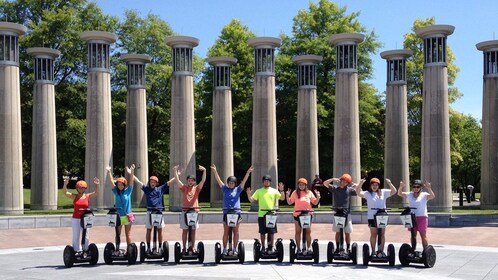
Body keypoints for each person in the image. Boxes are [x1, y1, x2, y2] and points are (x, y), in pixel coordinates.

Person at [211, 164, 254, 255]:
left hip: (236, 213)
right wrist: (215, 171)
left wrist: (248, 173)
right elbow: (219, 180)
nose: (231, 184)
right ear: (228, 183)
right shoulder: (224, 189)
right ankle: (225, 248)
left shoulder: (238, 190)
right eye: (229, 183)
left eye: (232, 183)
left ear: (235, 184)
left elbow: (244, 182)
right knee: (226, 231)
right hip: (226, 213)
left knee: (236, 231)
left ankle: (234, 248)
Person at [134, 173, 176, 254]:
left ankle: (160, 247)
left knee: (160, 230)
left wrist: (177, 175)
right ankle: (149, 248)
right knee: (149, 230)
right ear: (149, 183)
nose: (152, 183)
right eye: (151, 182)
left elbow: (169, 182)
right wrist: (131, 173)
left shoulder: (160, 189)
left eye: (154, 182)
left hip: (158, 212)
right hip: (150, 212)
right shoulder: (147, 189)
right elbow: (139, 182)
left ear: (157, 183)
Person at [355, 177, 397, 257]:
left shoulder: (383, 192)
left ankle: (381, 251)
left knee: (382, 234)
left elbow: (394, 191)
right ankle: (373, 252)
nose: (375, 186)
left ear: (378, 186)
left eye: (376, 185)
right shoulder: (367, 193)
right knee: (374, 234)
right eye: (373, 185)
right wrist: (360, 183)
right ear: (370, 185)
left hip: (382, 216)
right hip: (372, 216)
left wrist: (389, 183)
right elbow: (358, 193)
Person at [246, 174, 285, 253]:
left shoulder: (274, 191)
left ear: (270, 182)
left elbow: (282, 198)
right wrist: (248, 194)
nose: (266, 182)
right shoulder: (259, 191)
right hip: (262, 214)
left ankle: (271, 246)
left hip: (271, 214)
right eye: (265, 181)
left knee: (272, 232)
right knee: (262, 232)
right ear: (263, 182)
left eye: (267, 181)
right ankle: (263, 247)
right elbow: (251, 200)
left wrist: (281, 190)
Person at [173, 164, 206, 253]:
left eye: (192, 181)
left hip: (194, 212)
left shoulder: (196, 189)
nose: (190, 182)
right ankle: (184, 247)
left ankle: (193, 247)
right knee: (185, 230)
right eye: (189, 180)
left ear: (194, 182)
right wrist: (175, 171)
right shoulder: (184, 188)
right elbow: (177, 181)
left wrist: (204, 171)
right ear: (187, 181)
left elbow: (203, 181)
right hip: (185, 211)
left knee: (193, 231)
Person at [63, 176, 99, 254]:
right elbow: (65, 192)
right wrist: (65, 184)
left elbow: (96, 193)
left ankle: (85, 250)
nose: (81, 189)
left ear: (85, 189)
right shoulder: (75, 196)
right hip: (76, 218)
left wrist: (97, 184)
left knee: (86, 236)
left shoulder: (87, 196)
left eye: (83, 188)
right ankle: (76, 251)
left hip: (86, 218)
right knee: (76, 235)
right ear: (77, 188)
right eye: (80, 188)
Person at [397, 179, 435, 252]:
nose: (416, 188)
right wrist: (401, 187)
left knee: (423, 235)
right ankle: (413, 250)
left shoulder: (424, 195)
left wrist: (429, 188)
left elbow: (432, 196)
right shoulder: (409, 194)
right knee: (413, 235)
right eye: (414, 186)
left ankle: (426, 252)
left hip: (422, 217)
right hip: (412, 217)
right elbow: (399, 193)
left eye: (418, 187)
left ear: (420, 187)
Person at [323, 173, 357, 253]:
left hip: (347, 213)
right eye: (342, 180)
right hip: (337, 212)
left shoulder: (349, 190)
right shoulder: (335, 188)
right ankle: (338, 248)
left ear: (347, 183)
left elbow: (360, 192)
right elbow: (325, 183)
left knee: (347, 232)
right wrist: (333, 179)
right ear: (340, 180)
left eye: (345, 182)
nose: (343, 182)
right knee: (338, 231)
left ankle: (348, 248)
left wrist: (358, 185)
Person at [285, 177, 320, 254]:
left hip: (307, 214)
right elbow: (289, 202)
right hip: (297, 214)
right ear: (298, 185)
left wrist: (318, 197)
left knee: (308, 231)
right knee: (298, 231)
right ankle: (298, 248)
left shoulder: (309, 192)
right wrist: (287, 196)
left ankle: (309, 248)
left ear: (305, 185)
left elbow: (315, 202)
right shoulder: (295, 193)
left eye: (303, 185)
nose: (301, 186)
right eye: (300, 185)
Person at [106, 164, 135, 253]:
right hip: (118, 216)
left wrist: (131, 172)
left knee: (128, 234)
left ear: (124, 185)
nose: (119, 186)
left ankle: (129, 250)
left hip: (127, 215)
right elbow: (111, 181)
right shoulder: (116, 192)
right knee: (118, 234)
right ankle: (117, 249)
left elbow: (132, 181)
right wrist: (109, 171)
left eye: (121, 184)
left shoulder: (128, 191)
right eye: (118, 184)